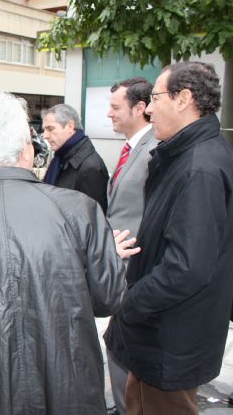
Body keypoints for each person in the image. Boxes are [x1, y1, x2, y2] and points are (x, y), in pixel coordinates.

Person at [0, 92, 139, 415]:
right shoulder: (78, 210)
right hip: (69, 385)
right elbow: (107, 298)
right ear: (26, 150)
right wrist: (110, 258)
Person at [105, 61, 233, 414]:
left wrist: (129, 302)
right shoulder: (183, 156)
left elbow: (186, 269)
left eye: (156, 97)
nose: (148, 107)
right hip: (162, 333)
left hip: (169, 337)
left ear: (184, 99)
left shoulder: (199, 168)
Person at [103, 77, 157, 415]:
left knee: (121, 346)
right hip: (122, 267)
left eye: (115, 107)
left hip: (136, 270)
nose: (108, 114)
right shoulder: (131, 148)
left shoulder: (155, 150)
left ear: (140, 108)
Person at [42, 104, 109, 212]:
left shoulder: (90, 167)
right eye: (44, 129)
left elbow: (93, 217)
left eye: (50, 129)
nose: (45, 135)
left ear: (70, 126)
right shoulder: (60, 158)